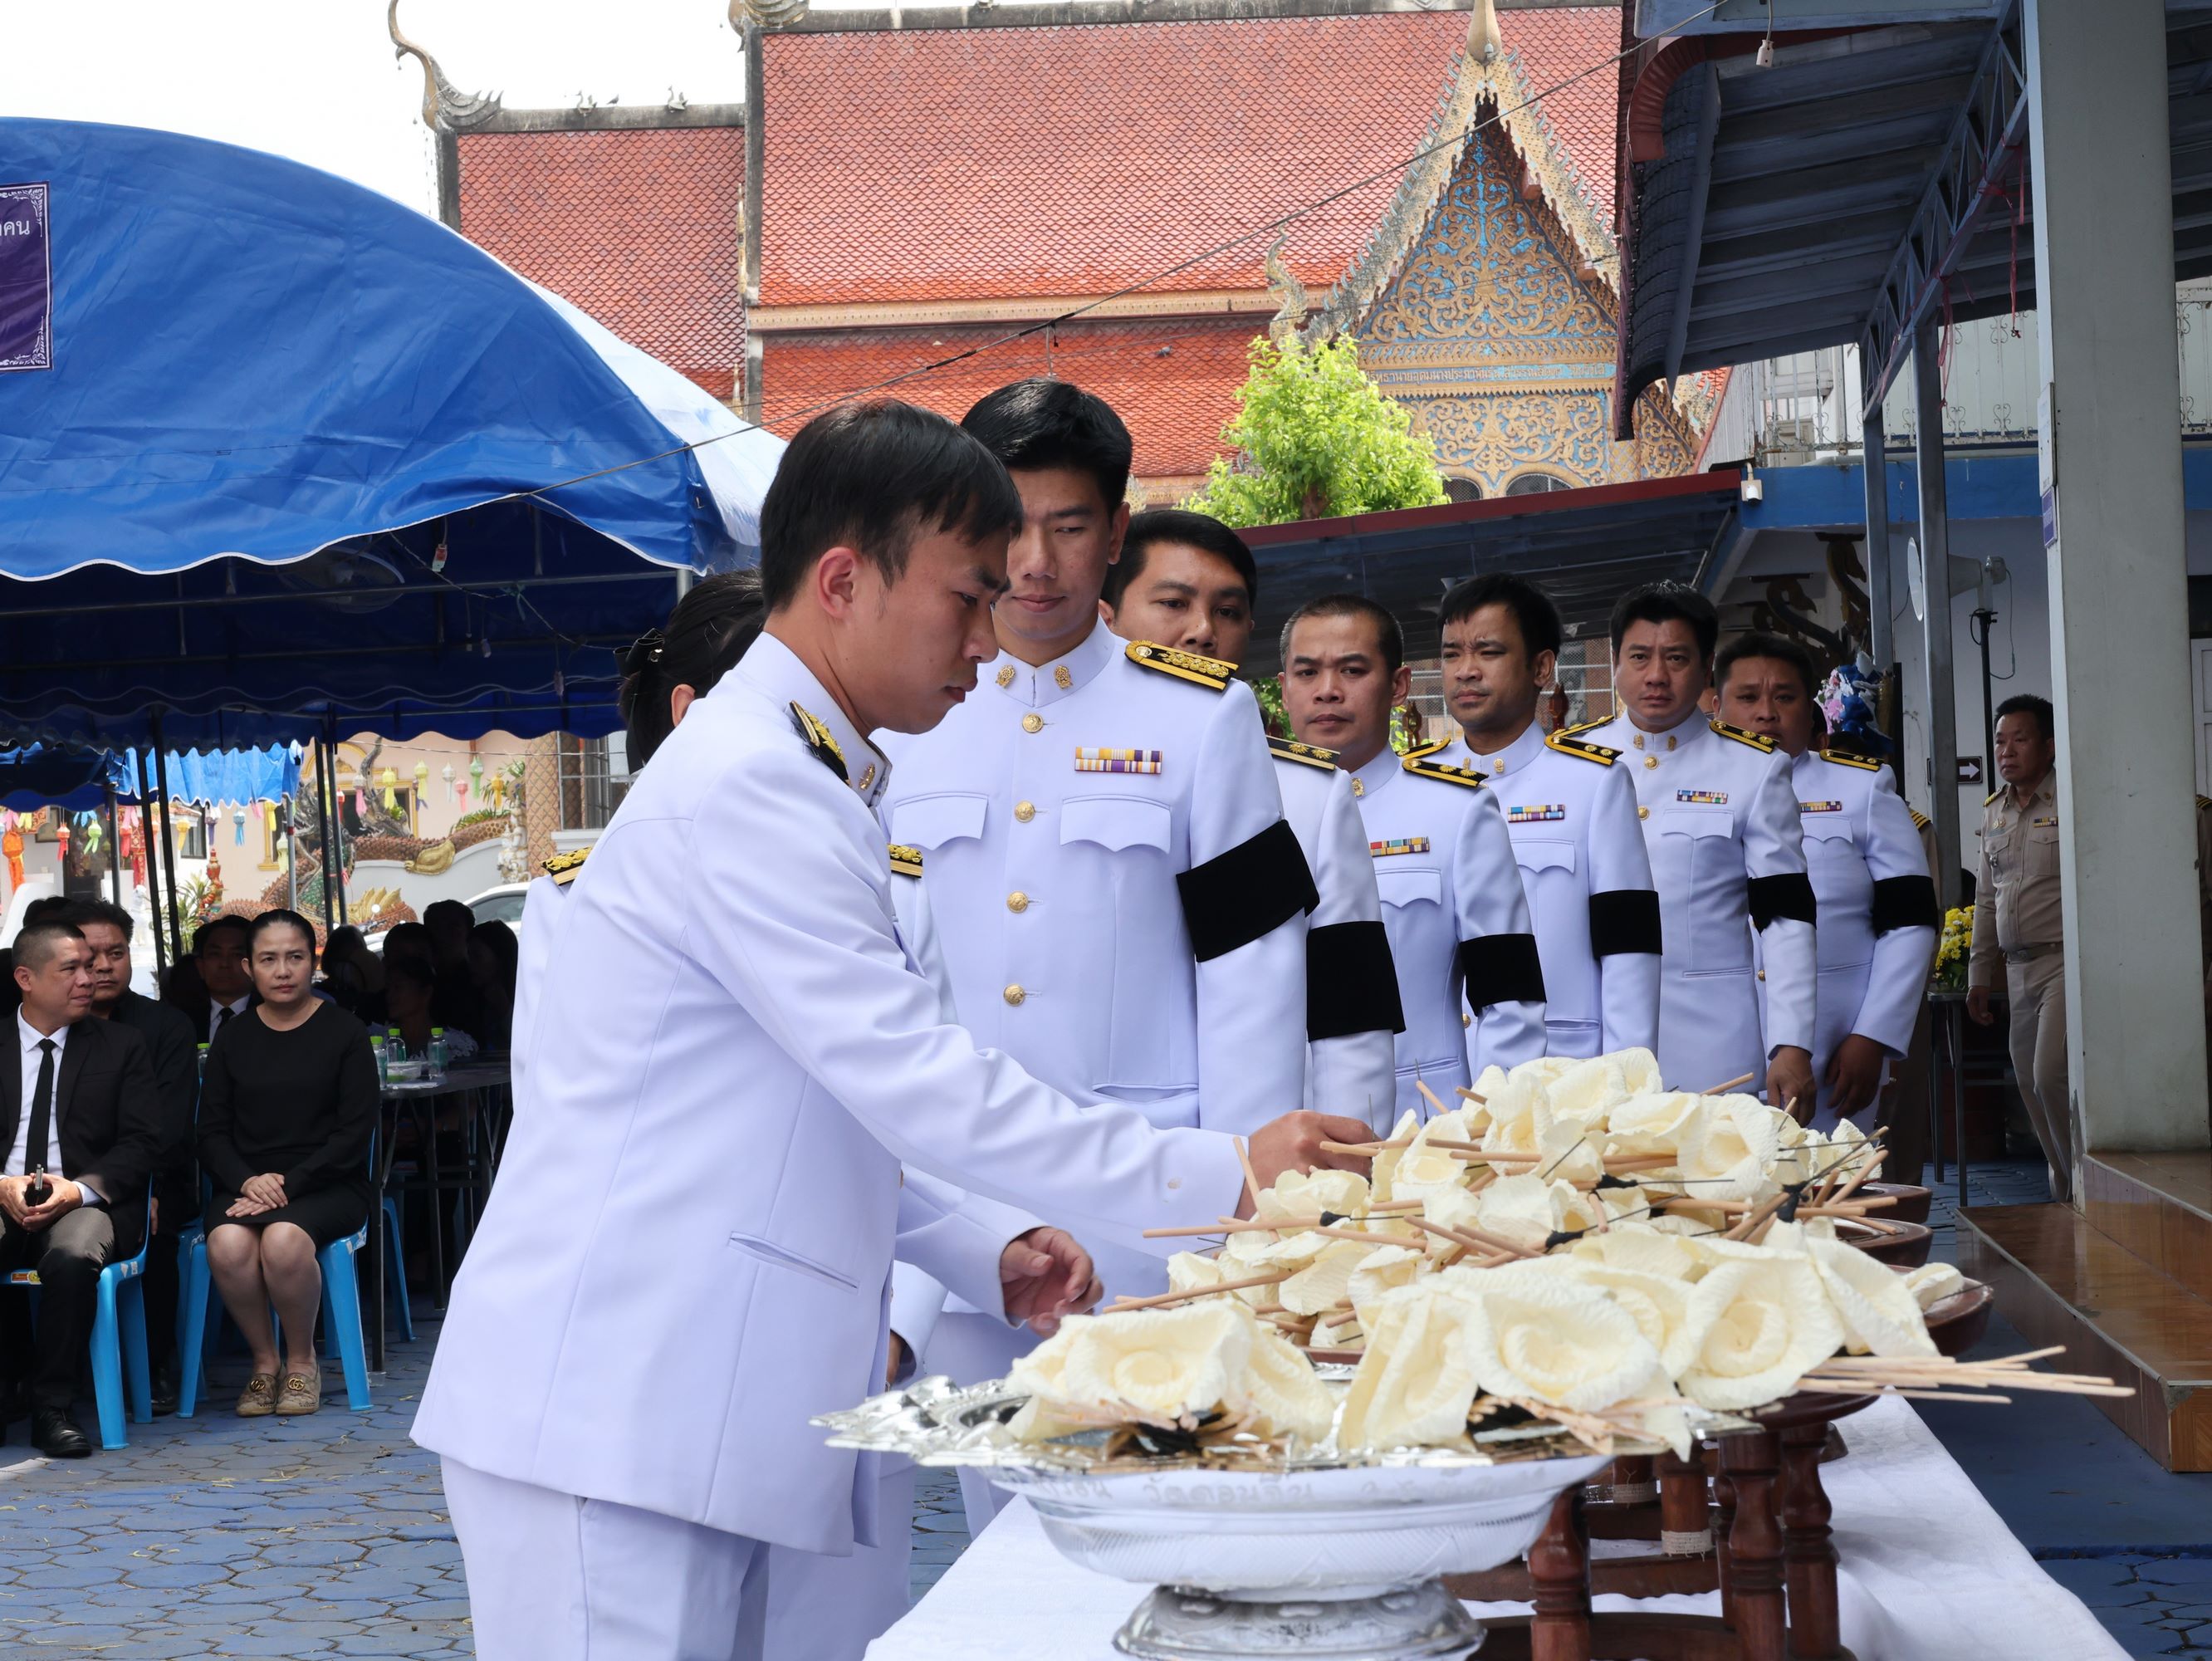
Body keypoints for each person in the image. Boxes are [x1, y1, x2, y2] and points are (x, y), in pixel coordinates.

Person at [412, 399, 1368, 1661]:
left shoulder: (810, 773)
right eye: (967, 596)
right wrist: (1224, 1173)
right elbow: (916, 1079)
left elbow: (819, 1107)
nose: (988, 634)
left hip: (682, 1405)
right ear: (844, 581)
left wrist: (983, 1243)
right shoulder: (756, 785)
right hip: (622, 1402)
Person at [872, 382, 1319, 1502]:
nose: (1034, 563)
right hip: (971, 1234)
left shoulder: (1201, 718)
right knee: (998, 1535)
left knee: (1163, 1521)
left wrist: (1237, 1236)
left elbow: (1254, 981)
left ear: (1116, 533)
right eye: (1010, 526)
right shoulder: (911, 720)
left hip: (1148, 1231)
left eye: (1068, 527)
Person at [1101, 508, 1402, 1130]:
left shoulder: (1310, 796)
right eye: (1173, 604)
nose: (1203, 632)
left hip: (1244, 1152)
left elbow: (1351, 1013)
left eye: (1228, 612)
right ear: (1107, 617)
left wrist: (1342, 1167)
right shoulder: (1032, 765)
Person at [1280, 594, 1545, 1116]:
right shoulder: (1247, 815)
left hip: (1422, 1125)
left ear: (1399, 685)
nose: (1327, 690)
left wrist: (1493, 1126)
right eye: (1307, 672)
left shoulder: (1456, 811)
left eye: (1352, 670)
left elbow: (1509, 997)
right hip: (1282, 1124)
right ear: (1285, 687)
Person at [1577, 583, 1818, 1110]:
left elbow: (1786, 918)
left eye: (1676, 658)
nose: (1656, 675)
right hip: (1588, 1046)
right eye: (1639, 657)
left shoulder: (1754, 768)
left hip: (1708, 1047)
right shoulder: (1573, 763)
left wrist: (1792, 1042)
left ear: (1707, 667)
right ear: (1614, 663)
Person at [1426, 574, 1660, 1068]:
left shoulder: (1594, 784)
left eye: (1488, 652)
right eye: (1451, 654)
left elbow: (1629, 948)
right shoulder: (1420, 788)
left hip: (1562, 1070)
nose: (1466, 671)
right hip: (1445, 1077)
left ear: (1542, 667)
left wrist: (1627, 1077)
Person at [1715, 635, 1937, 1129]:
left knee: (1831, 1176)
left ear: (1810, 708)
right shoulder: (1684, 795)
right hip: (1719, 1046)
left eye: (1785, 697)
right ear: (1717, 707)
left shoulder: (1862, 788)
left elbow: (1912, 922)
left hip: (1834, 1047)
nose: (1766, 713)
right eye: (1748, 697)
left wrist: (1873, 1035)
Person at [198, 909, 379, 1418]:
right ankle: (264, 1361)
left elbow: (353, 1134)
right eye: (268, 960)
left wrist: (290, 1184)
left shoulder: (345, 1032)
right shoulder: (233, 1037)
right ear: (249, 968)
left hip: (328, 1182)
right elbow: (210, 1133)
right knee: (228, 1243)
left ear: (313, 962)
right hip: (247, 1184)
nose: (282, 971)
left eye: (295, 957)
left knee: (282, 1240)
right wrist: (247, 1180)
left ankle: (302, 1361)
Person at [0, 920, 162, 1457]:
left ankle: (53, 1408)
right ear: (26, 978)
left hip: (86, 1200)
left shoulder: (121, 1046)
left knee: (73, 1256)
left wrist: (77, 1191)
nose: (88, 979)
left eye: (90, 968)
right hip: (4, 1194)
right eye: (70, 968)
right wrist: (2, 1186)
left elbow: (143, 1142)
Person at [61, 900, 196, 1414]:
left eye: (115, 954)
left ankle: (153, 1363)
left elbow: (168, 1128)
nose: (103, 967)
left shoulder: (164, 1026)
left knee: (152, 1226)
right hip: (64, 1181)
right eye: (89, 957)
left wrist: (139, 1186)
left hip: (155, 1177)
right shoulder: (51, 1026)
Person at [1967, 693, 2072, 1198]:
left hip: (2063, 962)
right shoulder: (1995, 813)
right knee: (2027, 1082)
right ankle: (2066, 1182)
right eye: (1999, 741)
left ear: (2048, 746)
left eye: (2020, 739)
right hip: (2017, 969)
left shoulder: (2069, 800)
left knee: (2050, 1075)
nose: (2006, 751)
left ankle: (2080, 1181)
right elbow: (1986, 899)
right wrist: (1978, 974)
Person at [422, 899, 482, 1040]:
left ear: (469, 933)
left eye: (452, 927)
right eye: (436, 927)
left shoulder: (479, 981)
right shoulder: (417, 981)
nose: (443, 935)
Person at [189, 916, 256, 1043]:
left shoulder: (276, 1016)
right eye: (215, 954)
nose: (224, 964)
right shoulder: (182, 1021)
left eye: (237, 955)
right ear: (200, 966)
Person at [466, 922, 518, 1053]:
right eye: (469, 956)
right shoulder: (468, 995)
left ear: (500, 958)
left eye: (477, 957)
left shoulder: (524, 994)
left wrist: (504, 1008)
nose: (470, 964)